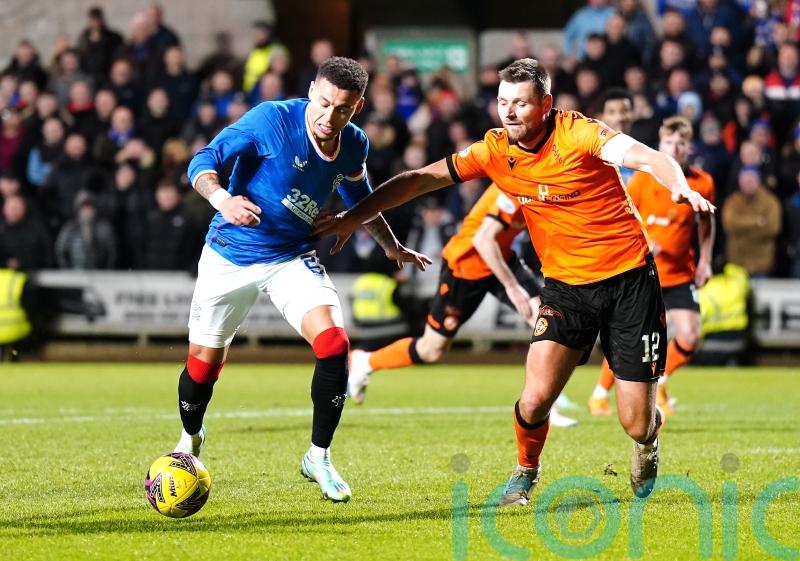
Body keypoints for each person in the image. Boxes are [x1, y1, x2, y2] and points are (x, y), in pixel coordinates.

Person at [314, 58, 714, 504]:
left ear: (545, 104)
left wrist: (677, 184)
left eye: (520, 104)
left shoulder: (579, 134)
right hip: (566, 286)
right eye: (502, 102)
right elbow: (417, 181)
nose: (508, 112)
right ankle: (525, 471)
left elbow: (649, 157)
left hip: (630, 281)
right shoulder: (494, 149)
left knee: (636, 422)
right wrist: (353, 216)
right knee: (534, 399)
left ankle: (648, 441)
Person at [173, 57, 429, 503]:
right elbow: (204, 158)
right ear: (312, 90)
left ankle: (318, 456)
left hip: (290, 256)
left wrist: (390, 245)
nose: (330, 117)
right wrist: (223, 200)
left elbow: (358, 196)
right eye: (325, 103)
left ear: (358, 107)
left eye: (343, 110)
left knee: (334, 343)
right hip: (230, 254)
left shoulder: (353, 144)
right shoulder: (271, 119)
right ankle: (190, 436)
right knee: (202, 367)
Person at [347, 184, 578, 427]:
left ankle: (545, 405)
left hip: (502, 258)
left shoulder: (543, 182)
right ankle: (366, 361)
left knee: (546, 324)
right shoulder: (514, 186)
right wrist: (511, 286)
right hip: (466, 267)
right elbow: (482, 240)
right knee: (431, 350)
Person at [588, 116, 716, 417]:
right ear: (660, 144)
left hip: (680, 273)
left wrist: (706, 260)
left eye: (681, 143)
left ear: (689, 148)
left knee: (690, 334)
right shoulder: (643, 181)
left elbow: (707, 221)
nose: (676, 148)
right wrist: (648, 239)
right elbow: (624, 218)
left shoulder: (703, 182)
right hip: (644, 272)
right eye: (670, 142)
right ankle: (598, 394)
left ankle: (661, 380)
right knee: (632, 337)